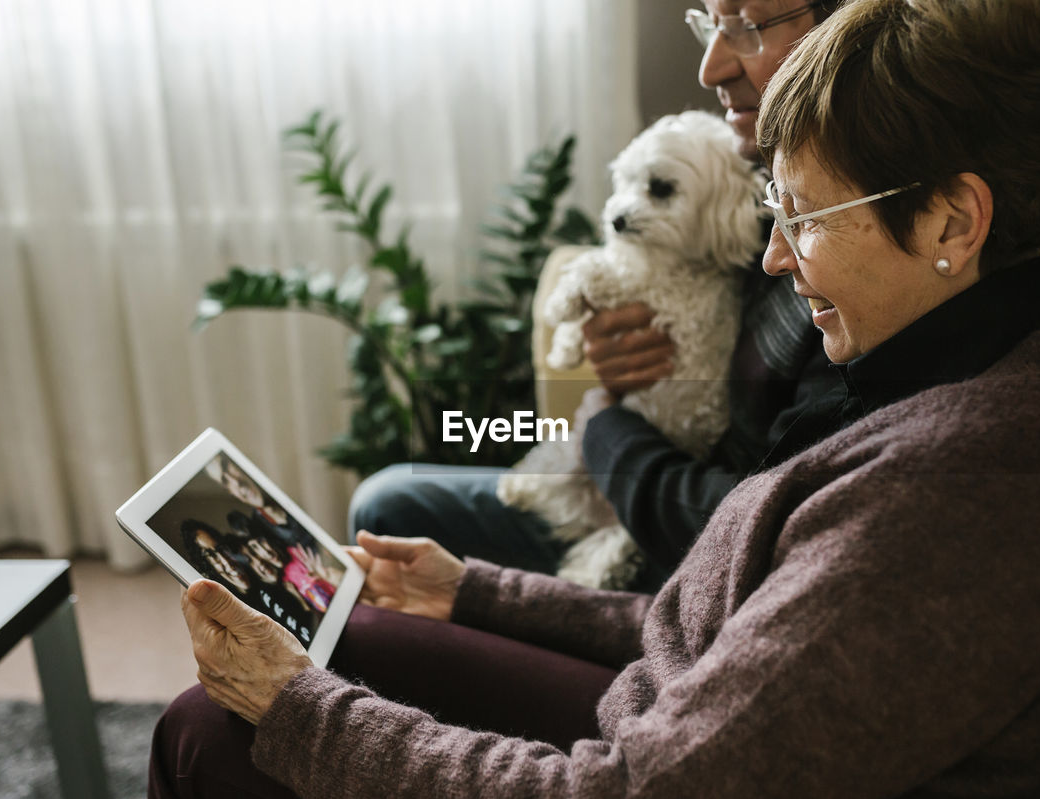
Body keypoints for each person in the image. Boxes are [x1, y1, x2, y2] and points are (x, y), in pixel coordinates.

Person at [150, 1, 1040, 799]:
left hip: (648, 789)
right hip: (680, 724)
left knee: (218, 730)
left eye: (803, 218)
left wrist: (304, 714)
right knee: (362, 625)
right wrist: (468, 588)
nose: (779, 260)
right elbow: (761, 624)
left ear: (949, 219)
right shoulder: (971, 366)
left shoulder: (964, 499)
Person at [348, 1, 837, 590]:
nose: (709, 68)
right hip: (641, 478)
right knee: (387, 503)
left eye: (747, 25)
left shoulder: (846, 273)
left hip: (684, 551)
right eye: (710, 23)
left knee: (389, 522)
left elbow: (745, 526)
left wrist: (606, 423)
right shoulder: (759, 208)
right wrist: (619, 360)